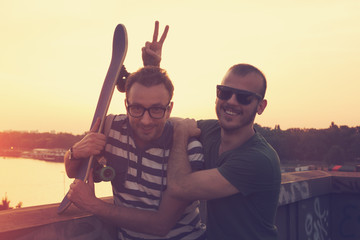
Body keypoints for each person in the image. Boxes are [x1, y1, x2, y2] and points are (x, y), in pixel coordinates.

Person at [65, 22, 206, 240]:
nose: (146, 120)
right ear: (126, 105)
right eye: (137, 108)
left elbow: (161, 225)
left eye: (157, 109)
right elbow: (75, 171)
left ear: (170, 109)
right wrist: (74, 152)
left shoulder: (188, 146)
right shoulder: (112, 128)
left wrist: (94, 205)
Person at [167, 64, 282, 240]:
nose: (232, 101)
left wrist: (181, 133)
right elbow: (161, 124)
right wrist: (152, 68)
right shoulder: (211, 130)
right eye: (225, 92)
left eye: (244, 97)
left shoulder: (259, 159)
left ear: (261, 106)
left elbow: (179, 187)